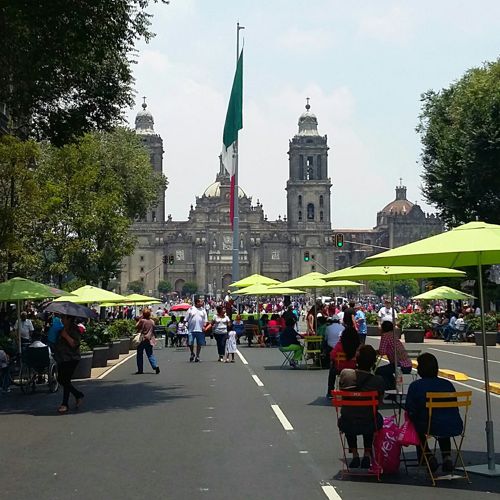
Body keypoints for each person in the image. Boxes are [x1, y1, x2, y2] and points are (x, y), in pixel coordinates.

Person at [405, 353, 463, 473]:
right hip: (453, 424)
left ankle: (427, 456)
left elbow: (409, 408)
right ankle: (446, 456)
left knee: (417, 424)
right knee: (441, 422)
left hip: (430, 425)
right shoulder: (448, 385)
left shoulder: (416, 386)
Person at [337, 345, 385, 469]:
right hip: (370, 423)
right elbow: (380, 401)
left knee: (350, 414)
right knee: (372, 416)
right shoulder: (378, 380)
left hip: (347, 422)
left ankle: (354, 454)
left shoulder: (345, 374)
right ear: (373, 362)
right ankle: (367, 453)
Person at [53, 314, 85, 414]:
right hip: (61, 358)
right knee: (63, 380)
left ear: (69, 319)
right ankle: (75, 396)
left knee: (63, 379)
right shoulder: (61, 329)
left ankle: (66, 402)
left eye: (63, 318)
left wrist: (66, 336)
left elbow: (74, 344)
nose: (61, 319)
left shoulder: (75, 329)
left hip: (71, 358)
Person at [375, 320, 412, 389]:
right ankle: (393, 387)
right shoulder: (393, 335)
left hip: (400, 365)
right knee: (386, 371)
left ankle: (390, 388)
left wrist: (374, 352)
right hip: (407, 365)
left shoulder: (385, 336)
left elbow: (382, 351)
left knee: (379, 371)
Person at [327, 325, 360, 398]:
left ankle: (330, 391)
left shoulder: (340, 345)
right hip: (353, 368)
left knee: (332, 371)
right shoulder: (358, 346)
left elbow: (332, 355)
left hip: (339, 368)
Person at [135, 309, 160, 375]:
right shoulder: (152, 321)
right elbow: (154, 330)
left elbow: (136, 326)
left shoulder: (142, 321)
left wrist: (140, 319)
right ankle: (155, 366)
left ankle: (140, 369)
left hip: (143, 339)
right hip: (150, 339)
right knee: (150, 354)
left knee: (140, 354)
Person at [185, 296, 208, 362]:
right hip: (191, 330)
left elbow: (205, 320)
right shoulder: (191, 309)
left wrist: (204, 326)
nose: (202, 303)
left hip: (200, 330)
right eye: (201, 302)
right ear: (197, 302)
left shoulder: (203, 310)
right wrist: (186, 325)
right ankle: (192, 353)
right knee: (190, 343)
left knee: (199, 344)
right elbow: (185, 319)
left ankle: (197, 356)